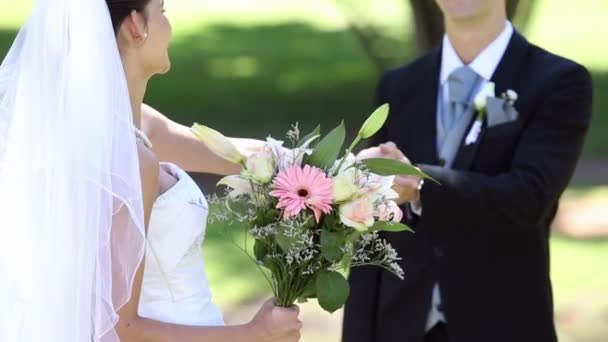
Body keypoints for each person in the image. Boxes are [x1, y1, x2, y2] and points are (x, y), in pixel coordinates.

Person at [0, 0, 301, 341]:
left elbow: (238, 155)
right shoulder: (131, 159)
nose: (169, 26)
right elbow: (120, 327)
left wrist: (342, 168)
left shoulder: (132, 124)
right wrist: (253, 334)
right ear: (134, 26)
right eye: (162, 10)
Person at [342, 1, 593, 341]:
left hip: (501, 326)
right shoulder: (399, 86)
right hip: (400, 327)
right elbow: (369, 232)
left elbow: (529, 198)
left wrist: (420, 185)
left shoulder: (558, 81)